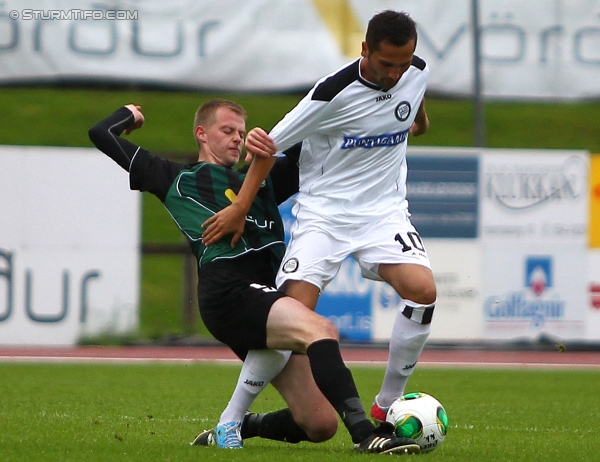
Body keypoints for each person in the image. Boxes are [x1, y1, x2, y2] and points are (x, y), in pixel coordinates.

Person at [88, 100, 420, 455]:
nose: (237, 139)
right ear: (201, 133)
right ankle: (366, 435)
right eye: (227, 131)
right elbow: (100, 134)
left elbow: (314, 142)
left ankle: (240, 425)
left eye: (241, 134)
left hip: (266, 295)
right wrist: (130, 115)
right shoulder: (173, 176)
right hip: (228, 293)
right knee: (321, 330)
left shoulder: (260, 181)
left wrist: (379, 115)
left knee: (320, 423)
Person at [202, 10, 437, 425]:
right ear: (365, 50)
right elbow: (268, 147)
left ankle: (387, 404)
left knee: (422, 291)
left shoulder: (415, 71)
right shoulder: (331, 93)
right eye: (386, 65)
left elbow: (413, 103)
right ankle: (231, 420)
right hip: (324, 215)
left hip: (383, 213)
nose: (396, 74)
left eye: (404, 64)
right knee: (292, 313)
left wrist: (417, 120)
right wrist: (240, 206)